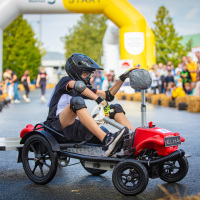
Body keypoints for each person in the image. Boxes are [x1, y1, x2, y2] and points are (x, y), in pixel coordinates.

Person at [44, 53, 136, 157]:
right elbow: (78, 85)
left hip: (75, 128)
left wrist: (123, 77)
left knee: (115, 108)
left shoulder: (84, 90)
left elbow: (108, 95)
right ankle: (107, 140)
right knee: (76, 101)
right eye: (85, 75)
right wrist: (98, 99)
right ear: (75, 73)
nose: (89, 78)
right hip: (56, 128)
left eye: (90, 75)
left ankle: (136, 140)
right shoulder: (65, 81)